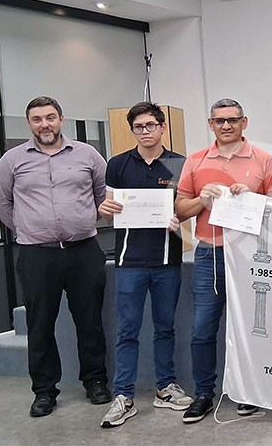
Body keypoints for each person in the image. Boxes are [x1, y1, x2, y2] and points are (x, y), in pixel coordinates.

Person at [0, 96, 111, 417]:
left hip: (83, 251)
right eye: (37, 119)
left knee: (90, 320)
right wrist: (29, 228)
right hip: (37, 255)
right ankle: (44, 391)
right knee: (40, 324)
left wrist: (85, 218)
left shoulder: (87, 154)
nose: (45, 124)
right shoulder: (12, 160)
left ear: (61, 119)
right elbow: (0, 204)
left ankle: (95, 381)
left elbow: (103, 195)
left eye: (50, 117)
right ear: (29, 123)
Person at [175, 98, 272, 423]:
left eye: (232, 120)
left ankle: (248, 393)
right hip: (210, 254)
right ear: (210, 124)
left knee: (250, 328)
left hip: (250, 254)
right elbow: (180, 210)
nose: (226, 125)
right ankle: (204, 393)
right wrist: (201, 200)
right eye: (219, 120)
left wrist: (252, 199)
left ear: (244, 122)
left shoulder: (263, 160)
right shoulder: (195, 160)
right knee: (202, 328)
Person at [96, 102, 192, 427]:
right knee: (127, 330)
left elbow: (185, 206)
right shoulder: (117, 164)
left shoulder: (180, 163)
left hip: (167, 259)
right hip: (129, 261)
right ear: (132, 130)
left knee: (165, 328)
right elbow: (108, 207)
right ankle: (123, 396)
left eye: (151, 125)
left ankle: (165, 388)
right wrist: (104, 209)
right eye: (138, 127)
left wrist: (179, 218)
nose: (145, 131)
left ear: (163, 127)